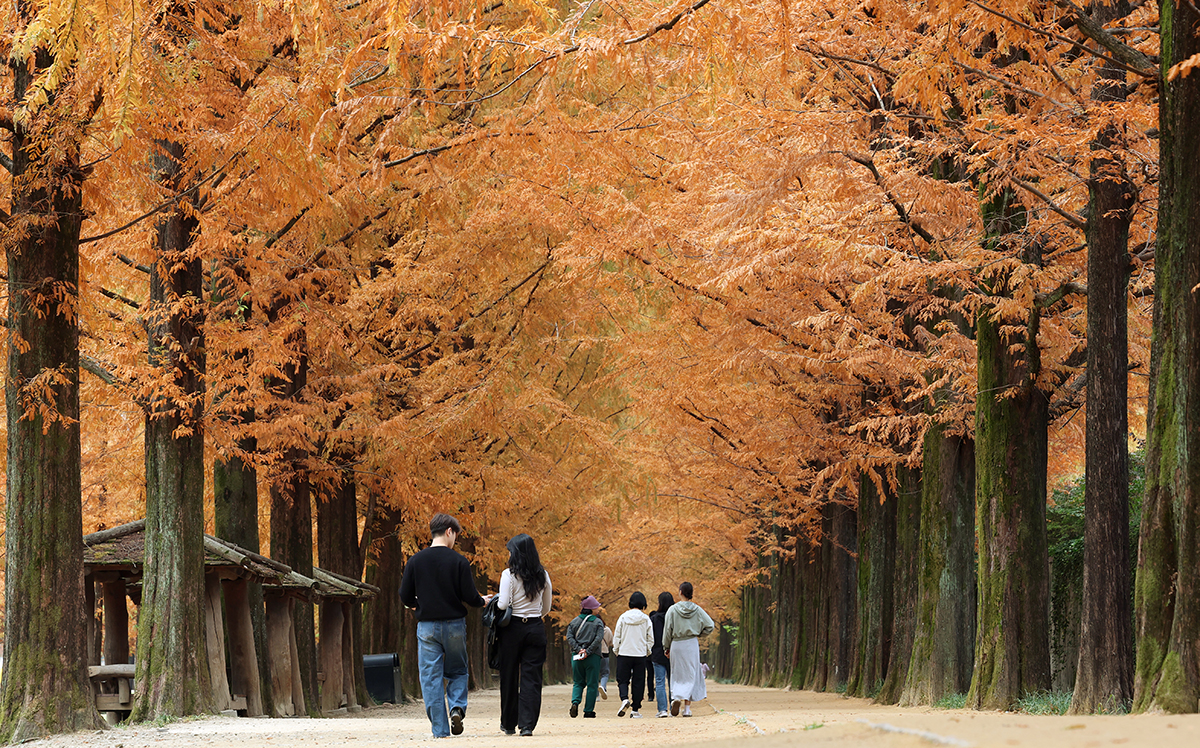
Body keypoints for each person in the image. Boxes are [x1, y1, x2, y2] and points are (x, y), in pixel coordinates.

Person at [398, 513, 488, 738]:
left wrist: (414, 604)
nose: (455, 540)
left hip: (427, 627)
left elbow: (404, 594)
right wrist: (483, 601)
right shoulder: (458, 561)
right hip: (454, 625)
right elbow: (470, 595)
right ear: (449, 531)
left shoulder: (415, 560)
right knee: (458, 669)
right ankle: (457, 707)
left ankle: (440, 731)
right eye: (455, 535)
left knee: (430, 678)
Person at [495, 534, 553, 736]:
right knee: (532, 677)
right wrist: (534, 615)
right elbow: (546, 607)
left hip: (512, 628)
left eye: (511, 551)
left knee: (509, 675)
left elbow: (502, 604)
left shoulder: (508, 575)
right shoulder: (543, 575)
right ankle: (527, 725)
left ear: (516, 553)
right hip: (535, 627)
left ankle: (509, 723)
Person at [663, 581, 715, 717]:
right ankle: (687, 710)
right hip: (691, 644)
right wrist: (699, 634)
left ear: (680, 592)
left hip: (677, 644)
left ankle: (676, 698)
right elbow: (710, 625)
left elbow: (667, 630)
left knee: (677, 674)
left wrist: (666, 646)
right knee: (691, 674)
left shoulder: (673, 610)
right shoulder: (697, 610)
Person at [612, 591, 653, 718]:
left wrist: (617, 650)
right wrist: (647, 651)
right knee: (638, 681)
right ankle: (635, 709)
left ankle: (624, 699)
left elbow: (617, 635)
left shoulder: (623, 617)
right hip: (639, 654)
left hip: (624, 652)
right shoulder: (646, 619)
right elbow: (650, 638)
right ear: (643, 604)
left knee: (622, 679)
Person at [566, 596, 605, 719]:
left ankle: (575, 702)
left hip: (577, 656)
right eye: (596, 607)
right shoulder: (598, 622)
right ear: (591, 609)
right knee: (592, 684)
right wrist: (588, 651)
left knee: (578, 682)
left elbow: (569, 637)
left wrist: (579, 650)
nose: (598, 609)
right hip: (593, 657)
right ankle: (588, 710)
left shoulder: (574, 621)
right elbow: (598, 639)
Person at [649, 591, 674, 717]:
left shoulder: (654, 619)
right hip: (673, 652)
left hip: (658, 653)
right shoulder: (674, 617)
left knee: (659, 681)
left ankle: (662, 710)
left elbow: (651, 637)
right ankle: (674, 704)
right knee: (672, 681)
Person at [597, 621, 613, 699]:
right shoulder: (607, 630)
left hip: (594, 653)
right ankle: (603, 686)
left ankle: (596, 695)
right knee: (605, 673)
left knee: (594, 674)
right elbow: (611, 642)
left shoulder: (592, 629)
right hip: (605, 652)